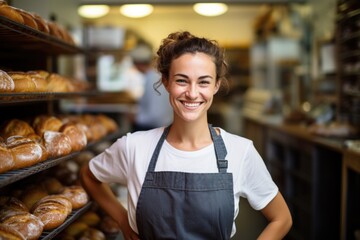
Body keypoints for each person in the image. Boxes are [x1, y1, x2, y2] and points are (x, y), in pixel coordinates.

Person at [80, 31, 292, 240]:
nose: (192, 93)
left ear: (216, 85)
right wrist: (123, 220)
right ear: (166, 82)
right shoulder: (134, 146)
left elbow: (281, 218)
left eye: (203, 82)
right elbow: (89, 175)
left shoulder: (240, 151)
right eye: (182, 80)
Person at [129, 44, 173, 131]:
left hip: (155, 128)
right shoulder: (153, 76)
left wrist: (136, 118)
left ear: (138, 64)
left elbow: (155, 115)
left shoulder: (153, 78)